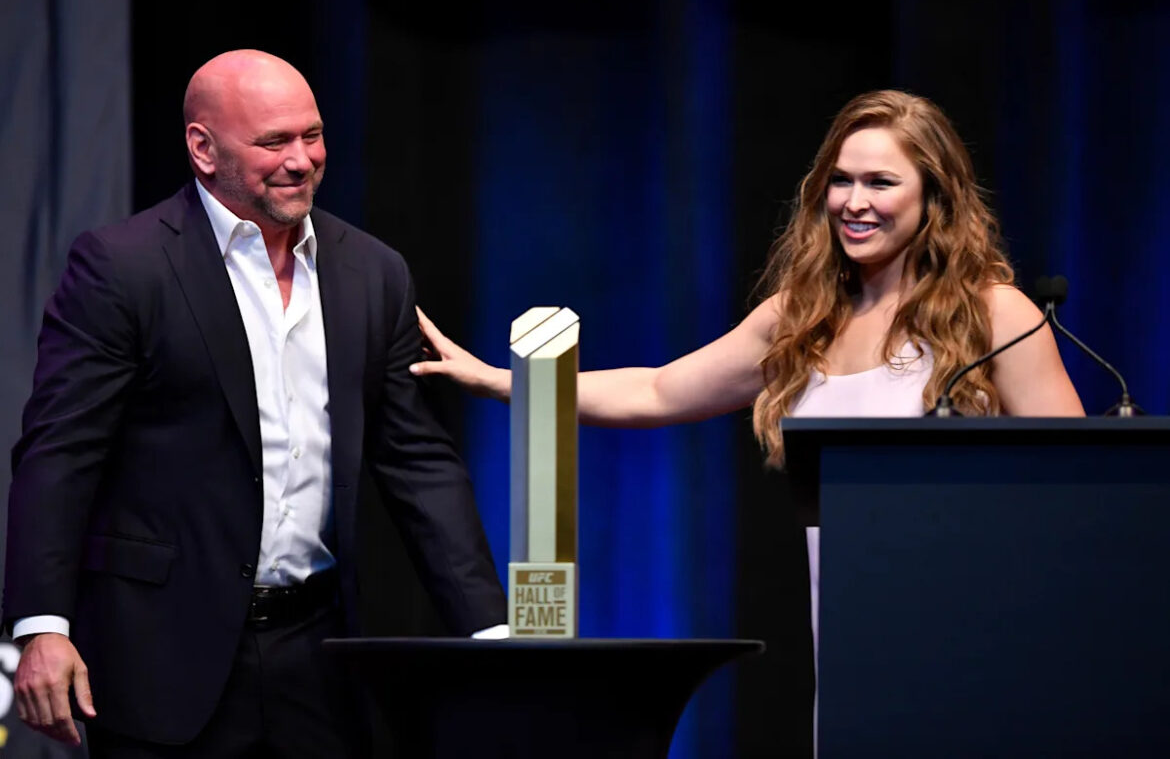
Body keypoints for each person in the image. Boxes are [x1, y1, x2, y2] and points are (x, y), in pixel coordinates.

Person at [409, 87, 1085, 679]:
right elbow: (659, 392)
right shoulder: (803, 317)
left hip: (978, 629)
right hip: (851, 642)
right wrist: (506, 382)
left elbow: (1076, 487)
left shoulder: (994, 313)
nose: (854, 203)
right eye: (841, 181)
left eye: (881, 183)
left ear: (935, 195)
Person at [4, 49, 505, 757]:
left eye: (312, 135)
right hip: (163, 657)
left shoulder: (373, 272)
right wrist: (42, 625)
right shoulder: (123, 267)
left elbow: (416, 461)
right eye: (274, 142)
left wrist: (491, 630)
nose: (301, 160)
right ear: (203, 149)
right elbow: (60, 453)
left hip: (321, 656)